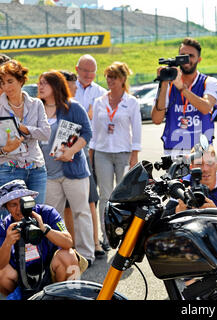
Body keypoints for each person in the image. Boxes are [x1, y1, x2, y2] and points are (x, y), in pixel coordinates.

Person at [37, 70, 96, 266]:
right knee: (54, 216)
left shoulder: (72, 107)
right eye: (39, 83)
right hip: (48, 174)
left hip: (74, 172)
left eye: (44, 83)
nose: (40, 86)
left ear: (56, 86)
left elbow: (87, 133)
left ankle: (86, 255)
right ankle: (58, 257)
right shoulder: (37, 109)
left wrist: (71, 151)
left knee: (81, 213)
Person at [0, 180, 88, 299]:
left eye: (22, 202)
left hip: (51, 271)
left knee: (69, 256)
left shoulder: (46, 212)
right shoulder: (5, 225)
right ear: (6, 208)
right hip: (21, 277)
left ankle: (67, 296)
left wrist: (45, 229)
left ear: (30, 200)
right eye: (13, 205)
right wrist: (8, 242)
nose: (19, 209)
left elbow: (68, 242)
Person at [89, 61, 142, 250]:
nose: (109, 80)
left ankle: (125, 234)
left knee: (123, 197)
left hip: (123, 153)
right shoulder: (99, 101)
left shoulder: (132, 102)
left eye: (113, 77)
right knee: (105, 196)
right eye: (107, 77)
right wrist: (91, 153)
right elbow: (94, 132)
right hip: (102, 152)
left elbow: (136, 130)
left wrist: (134, 154)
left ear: (122, 79)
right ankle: (106, 235)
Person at [60, 70, 105, 258]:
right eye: (69, 85)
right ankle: (72, 245)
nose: (72, 89)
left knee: (89, 203)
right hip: (60, 164)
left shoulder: (77, 104)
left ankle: (95, 244)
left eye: (73, 85)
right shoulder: (53, 106)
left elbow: (87, 132)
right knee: (67, 208)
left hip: (82, 159)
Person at [152, 37, 217, 156]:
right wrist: (164, 83)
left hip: (200, 151)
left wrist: (182, 88)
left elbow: (205, 108)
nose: (186, 60)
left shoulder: (209, 82)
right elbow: (157, 119)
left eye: (191, 56)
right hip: (173, 151)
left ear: (199, 59)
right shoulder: (169, 83)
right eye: (182, 56)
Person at [0, 60, 50, 206]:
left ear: (21, 81)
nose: (6, 87)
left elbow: (46, 133)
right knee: (9, 221)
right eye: (2, 82)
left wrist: (25, 129)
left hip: (36, 168)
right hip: (8, 169)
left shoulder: (36, 104)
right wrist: (5, 150)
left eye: (10, 81)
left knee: (35, 215)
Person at [74, 55, 107, 252]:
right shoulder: (68, 89)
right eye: (85, 70)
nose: (88, 75)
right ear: (77, 69)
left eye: (92, 71)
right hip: (74, 150)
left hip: (96, 149)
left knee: (93, 197)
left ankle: (96, 240)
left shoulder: (101, 93)